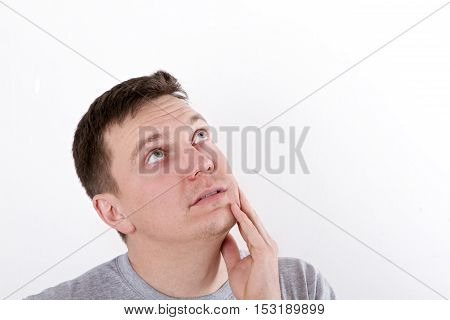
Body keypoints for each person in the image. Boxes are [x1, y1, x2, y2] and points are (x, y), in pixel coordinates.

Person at [24, 70, 335, 300]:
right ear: (113, 212)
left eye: (199, 136)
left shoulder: (300, 287)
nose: (201, 162)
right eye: (156, 155)